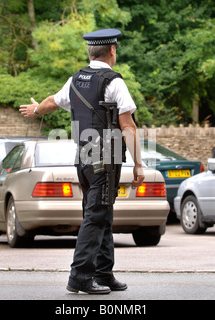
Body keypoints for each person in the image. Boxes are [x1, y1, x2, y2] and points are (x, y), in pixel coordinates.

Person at [19, 28, 145, 294]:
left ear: (91, 52)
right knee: (96, 215)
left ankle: (103, 272)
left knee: (102, 212)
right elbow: (128, 125)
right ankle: (80, 277)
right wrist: (138, 164)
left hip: (84, 159)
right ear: (112, 50)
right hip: (106, 159)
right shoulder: (113, 82)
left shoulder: (76, 79)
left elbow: (53, 101)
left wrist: (35, 109)